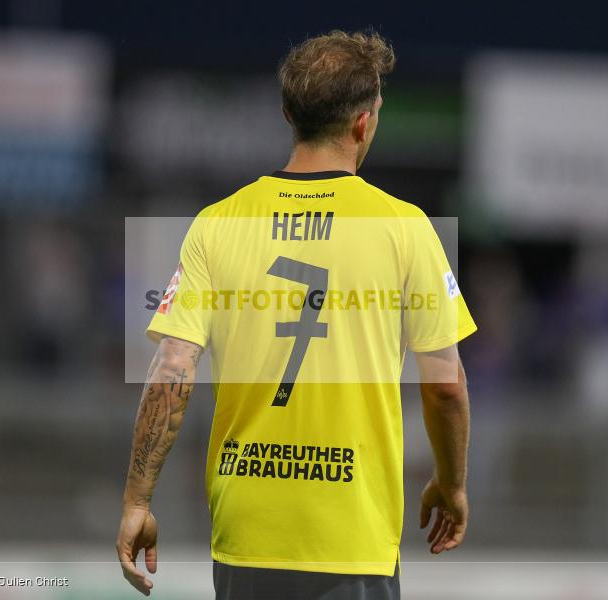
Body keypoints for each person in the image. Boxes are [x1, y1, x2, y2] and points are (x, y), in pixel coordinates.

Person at [117, 30, 477, 599]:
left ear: (289, 114)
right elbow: (446, 386)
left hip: (247, 529)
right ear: (363, 123)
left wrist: (138, 500)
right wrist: (451, 484)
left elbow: (172, 368)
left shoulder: (217, 222)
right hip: (351, 533)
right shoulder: (407, 228)